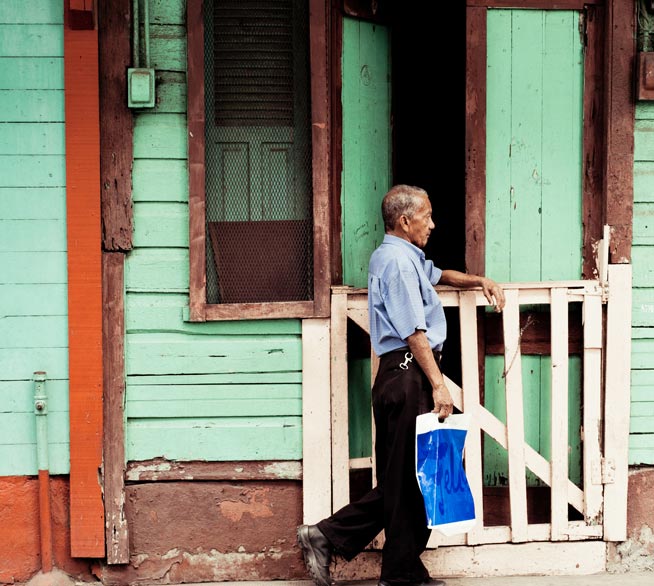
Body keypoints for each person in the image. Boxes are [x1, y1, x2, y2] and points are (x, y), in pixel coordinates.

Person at [297, 185, 505, 586]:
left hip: (401, 375)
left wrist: (479, 279)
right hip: (408, 373)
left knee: (408, 478)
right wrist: (439, 385)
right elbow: (413, 330)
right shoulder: (396, 262)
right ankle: (326, 536)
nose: (433, 222)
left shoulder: (401, 257)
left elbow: (440, 274)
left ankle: (401, 571)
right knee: (407, 479)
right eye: (426, 215)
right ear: (405, 220)